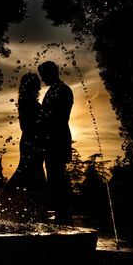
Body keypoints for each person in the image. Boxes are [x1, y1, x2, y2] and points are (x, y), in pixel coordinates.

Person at [0, 72, 47, 223]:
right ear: (30, 85)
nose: (39, 86)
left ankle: (30, 212)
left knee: (32, 175)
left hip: (34, 143)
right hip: (31, 143)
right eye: (36, 83)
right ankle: (4, 211)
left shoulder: (26, 100)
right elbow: (26, 125)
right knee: (29, 174)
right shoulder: (26, 101)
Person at [37, 60, 74, 225]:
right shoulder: (56, 90)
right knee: (54, 178)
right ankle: (62, 216)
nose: (43, 80)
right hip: (54, 140)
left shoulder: (62, 91)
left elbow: (58, 118)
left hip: (57, 140)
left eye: (44, 76)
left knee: (57, 178)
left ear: (52, 73)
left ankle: (64, 217)